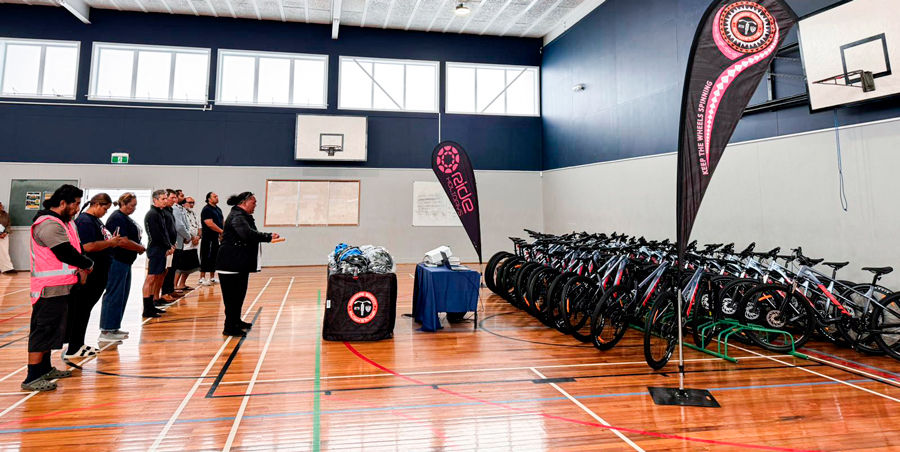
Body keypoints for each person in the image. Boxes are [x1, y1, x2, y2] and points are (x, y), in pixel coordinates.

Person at [24, 184, 94, 391]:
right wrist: (87, 264)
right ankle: (32, 376)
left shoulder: (66, 223)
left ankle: (45, 369)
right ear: (62, 203)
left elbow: (75, 248)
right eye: (75, 204)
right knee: (43, 330)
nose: (77, 208)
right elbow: (64, 252)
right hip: (48, 288)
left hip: (63, 286)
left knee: (53, 330)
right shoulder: (48, 224)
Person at [65, 193, 127, 362]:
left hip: (100, 271)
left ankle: (78, 343)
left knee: (85, 311)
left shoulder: (95, 221)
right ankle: (73, 347)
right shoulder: (85, 221)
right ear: (97, 205)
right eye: (105, 209)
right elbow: (87, 246)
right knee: (81, 310)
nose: (105, 213)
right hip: (90, 273)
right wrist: (110, 243)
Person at [216, 192, 279, 336]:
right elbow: (246, 234)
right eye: (254, 202)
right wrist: (268, 237)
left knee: (239, 296)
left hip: (238, 264)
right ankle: (230, 327)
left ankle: (236, 321)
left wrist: (267, 237)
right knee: (232, 298)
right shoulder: (237, 216)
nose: (255, 205)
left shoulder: (241, 215)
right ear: (245, 202)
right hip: (230, 263)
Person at [99, 193, 146, 342]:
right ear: (123, 204)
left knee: (122, 295)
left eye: (135, 205)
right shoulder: (117, 218)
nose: (134, 208)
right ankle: (106, 330)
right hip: (117, 261)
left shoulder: (125, 218)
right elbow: (121, 241)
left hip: (126, 262)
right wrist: (138, 247)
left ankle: (113, 327)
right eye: (132, 205)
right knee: (114, 294)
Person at [142, 190, 174, 318]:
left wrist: (169, 245)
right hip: (155, 249)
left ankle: (152, 305)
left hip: (161, 249)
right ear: (155, 200)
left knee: (156, 277)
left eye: (166, 198)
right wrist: (168, 245)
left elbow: (165, 233)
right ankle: (147, 308)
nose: (165, 201)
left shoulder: (160, 213)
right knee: (150, 278)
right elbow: (156, 235)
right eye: (163, 199)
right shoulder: (152, 214)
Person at [174, 196, 200, 291]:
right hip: (185, 242)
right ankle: (174, 285)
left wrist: (198, 237)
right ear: (184, 203)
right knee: (180, 266)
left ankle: (182, 284)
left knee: (190, 266)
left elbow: (199, 227)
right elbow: (181, 227)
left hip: (194, 243)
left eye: (193, 202)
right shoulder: (181, 213)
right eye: (189, 202)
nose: (191, 204)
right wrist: (190, 237)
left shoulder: (194, 214)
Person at [159, 189, 179, 304]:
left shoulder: (170, 210)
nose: (174, 200)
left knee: (169, 270)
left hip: (171, 245)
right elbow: (163, 230)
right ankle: (163, 293)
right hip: (166, 247)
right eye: (172, 198)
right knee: (163, 271)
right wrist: (168, 244)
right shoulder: (162, 212)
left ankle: (169, 290)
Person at [199, 192, 223, 286]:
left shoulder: (218, 209)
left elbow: (221, 221)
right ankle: (202, 278)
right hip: (207, 237)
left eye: (217, 196)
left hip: (216, 238)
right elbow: (209, 223)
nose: (217, 198)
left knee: (214, 257)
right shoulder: (206, 209)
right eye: (215, 196)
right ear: (209, 199)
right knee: (205, 256)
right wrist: (221, 231)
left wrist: (222, 232)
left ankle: (212, 277)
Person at [0, 201, 13, 274]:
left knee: (4, 252)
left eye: (1, 205)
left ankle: (6, 268)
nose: (1, 207)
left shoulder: (5, 215)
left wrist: (6, 232)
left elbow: (8, 224)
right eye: (0, 206)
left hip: (4, 235)